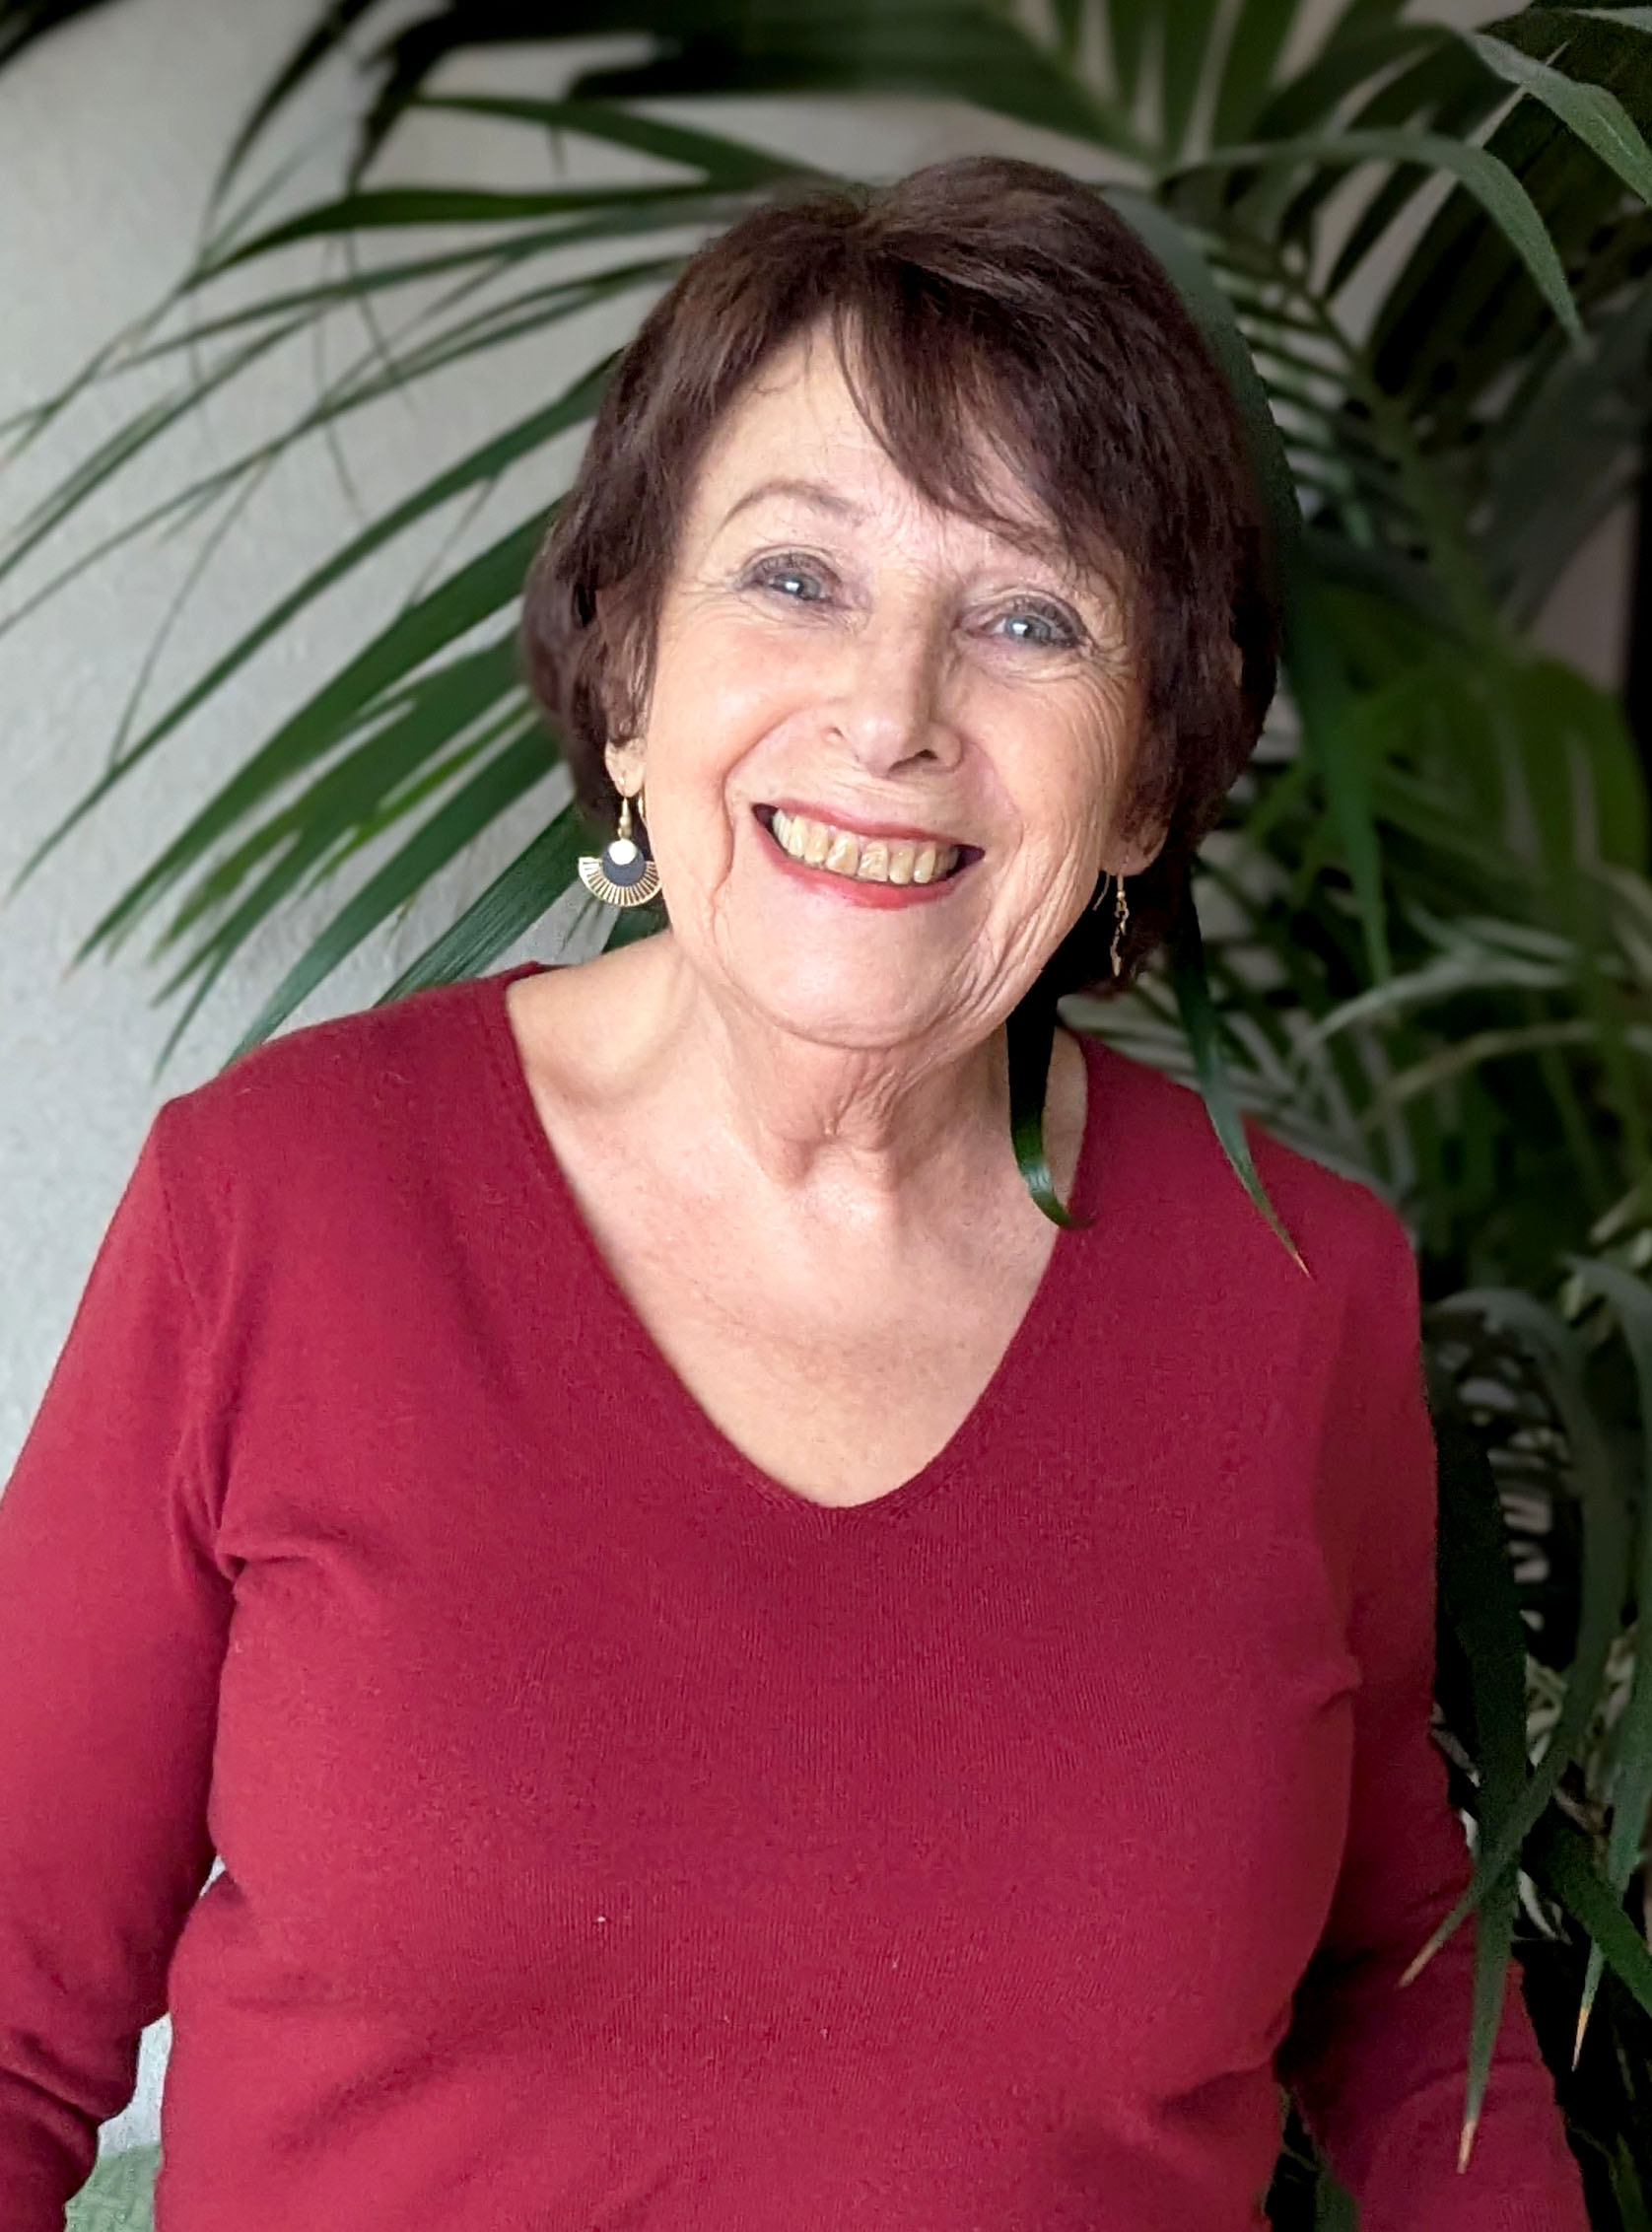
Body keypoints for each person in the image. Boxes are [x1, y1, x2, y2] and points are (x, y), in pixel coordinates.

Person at [0, 156, 1588, 2232]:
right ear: (627, 669)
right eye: (797, 576)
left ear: (1144, 779)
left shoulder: (1299, 1293)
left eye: (1028, 617)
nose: (891, 714)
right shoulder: (279, 1207)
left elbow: (1403, 1998)